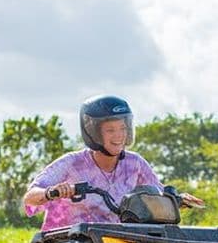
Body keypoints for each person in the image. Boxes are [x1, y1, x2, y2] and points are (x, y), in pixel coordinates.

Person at [23, 95, 203, 230]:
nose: (119, 136)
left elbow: (157, 191)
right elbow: (30, 197)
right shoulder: (72, 163)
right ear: (93, 132)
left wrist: (177, 198)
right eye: (110, 130)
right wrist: (51, 192)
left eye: (123, 129)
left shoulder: (135, 163)